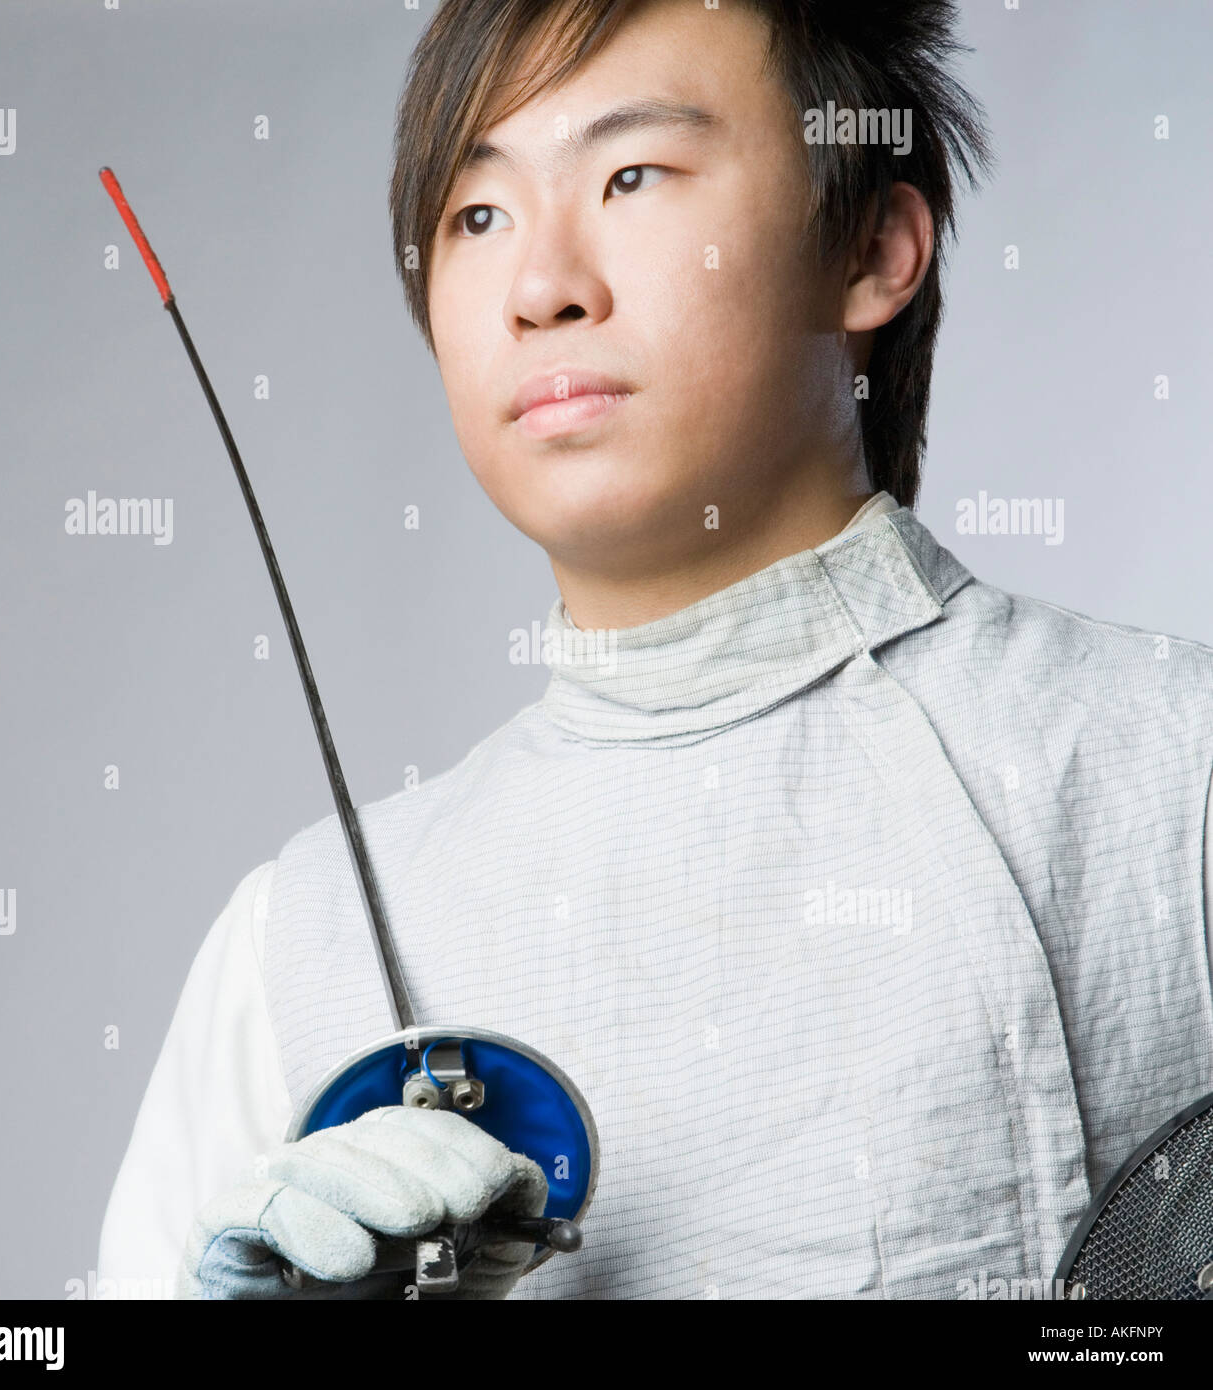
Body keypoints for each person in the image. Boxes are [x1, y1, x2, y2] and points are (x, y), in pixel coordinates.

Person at [98, 0, 1213, 1300]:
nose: (541, 285)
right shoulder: (303, 941)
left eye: (632, 175)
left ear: (871, 246)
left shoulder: (1173, 769)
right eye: (477, 215)